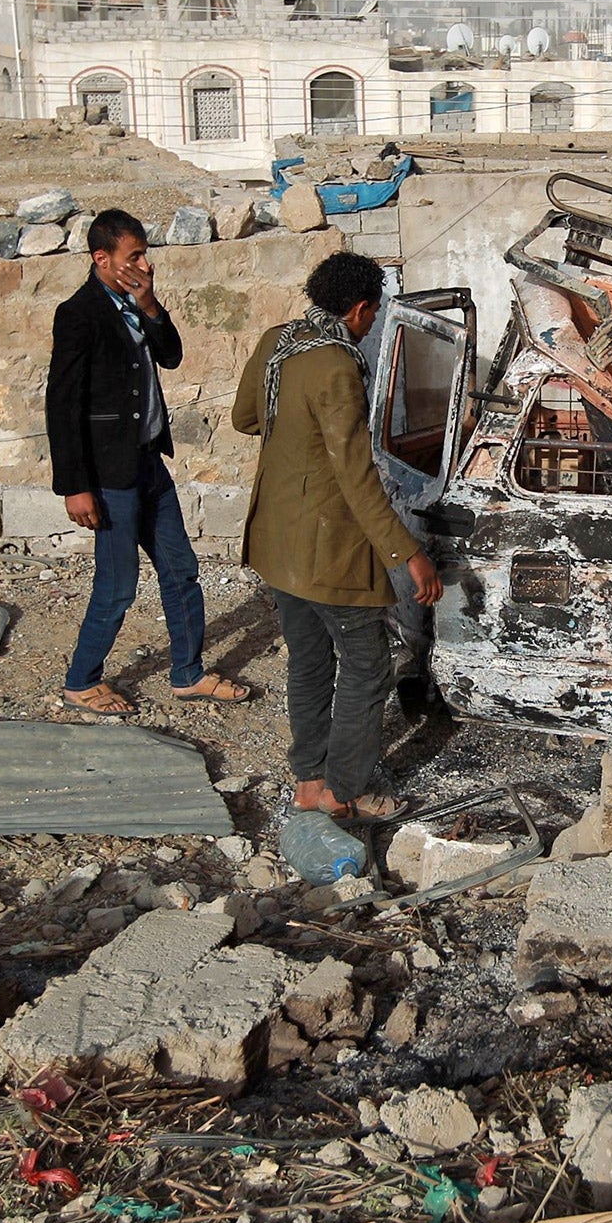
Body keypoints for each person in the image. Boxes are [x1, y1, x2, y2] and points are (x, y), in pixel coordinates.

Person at [232, 251, 443, 818]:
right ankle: (343, 791)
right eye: (373, 314)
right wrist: (409, 552)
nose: (373, 325)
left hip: (276, 542)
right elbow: (355, 473)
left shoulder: (282, 340)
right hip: (326, 548)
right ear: (359, 308)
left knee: (308, 661)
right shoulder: (336, 365)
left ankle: (308, 780)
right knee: (367, 664)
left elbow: (246, 418)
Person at [47, 208, 250, 715]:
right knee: (117, 586)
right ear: (102, 258)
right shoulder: (79, 314)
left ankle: (187, 673)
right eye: (133, 255)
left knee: (180, 570)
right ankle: (81, 680)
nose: (145, 263)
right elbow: (63, 406)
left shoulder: (136, 304)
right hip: (109, 474)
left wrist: (151, 304)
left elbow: (172, 355)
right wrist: (75, 485)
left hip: (148, 465)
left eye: (145, 253)